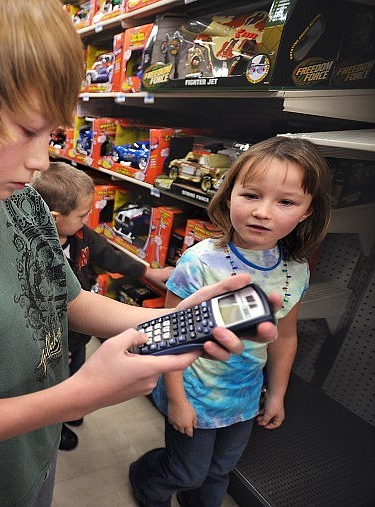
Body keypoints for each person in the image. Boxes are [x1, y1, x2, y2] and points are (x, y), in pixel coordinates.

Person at [0, 2, 280, 506]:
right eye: (26, 131)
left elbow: (65, 300)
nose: (39, 161)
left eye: (49, 135)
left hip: (38, 449)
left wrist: (167, 320)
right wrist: (76, 396)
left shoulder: (21, 198)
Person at [129, 137, 332, 507]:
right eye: (251, 195)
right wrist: (176, 400)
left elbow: (285, 338)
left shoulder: (296, 270)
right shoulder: (200, 262)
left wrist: (277, 395)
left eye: (285, 201)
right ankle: (146, 478)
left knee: (220, 469)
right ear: (229, 194)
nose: (263, 212)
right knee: (186, 471)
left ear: (307, 211)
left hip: (243, 395)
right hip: (193, 390)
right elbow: (170, 333)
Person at [31, 161, 174, 451]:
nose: (87, 220)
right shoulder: (37, 253)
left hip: (80, 332)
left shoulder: (80, 235)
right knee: (55, 386)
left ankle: (71, 406)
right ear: (55, 218)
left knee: (78, 371)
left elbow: (108, 254)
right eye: (83, 215)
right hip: (52, 340)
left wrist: (147, 272)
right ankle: (55, 426)